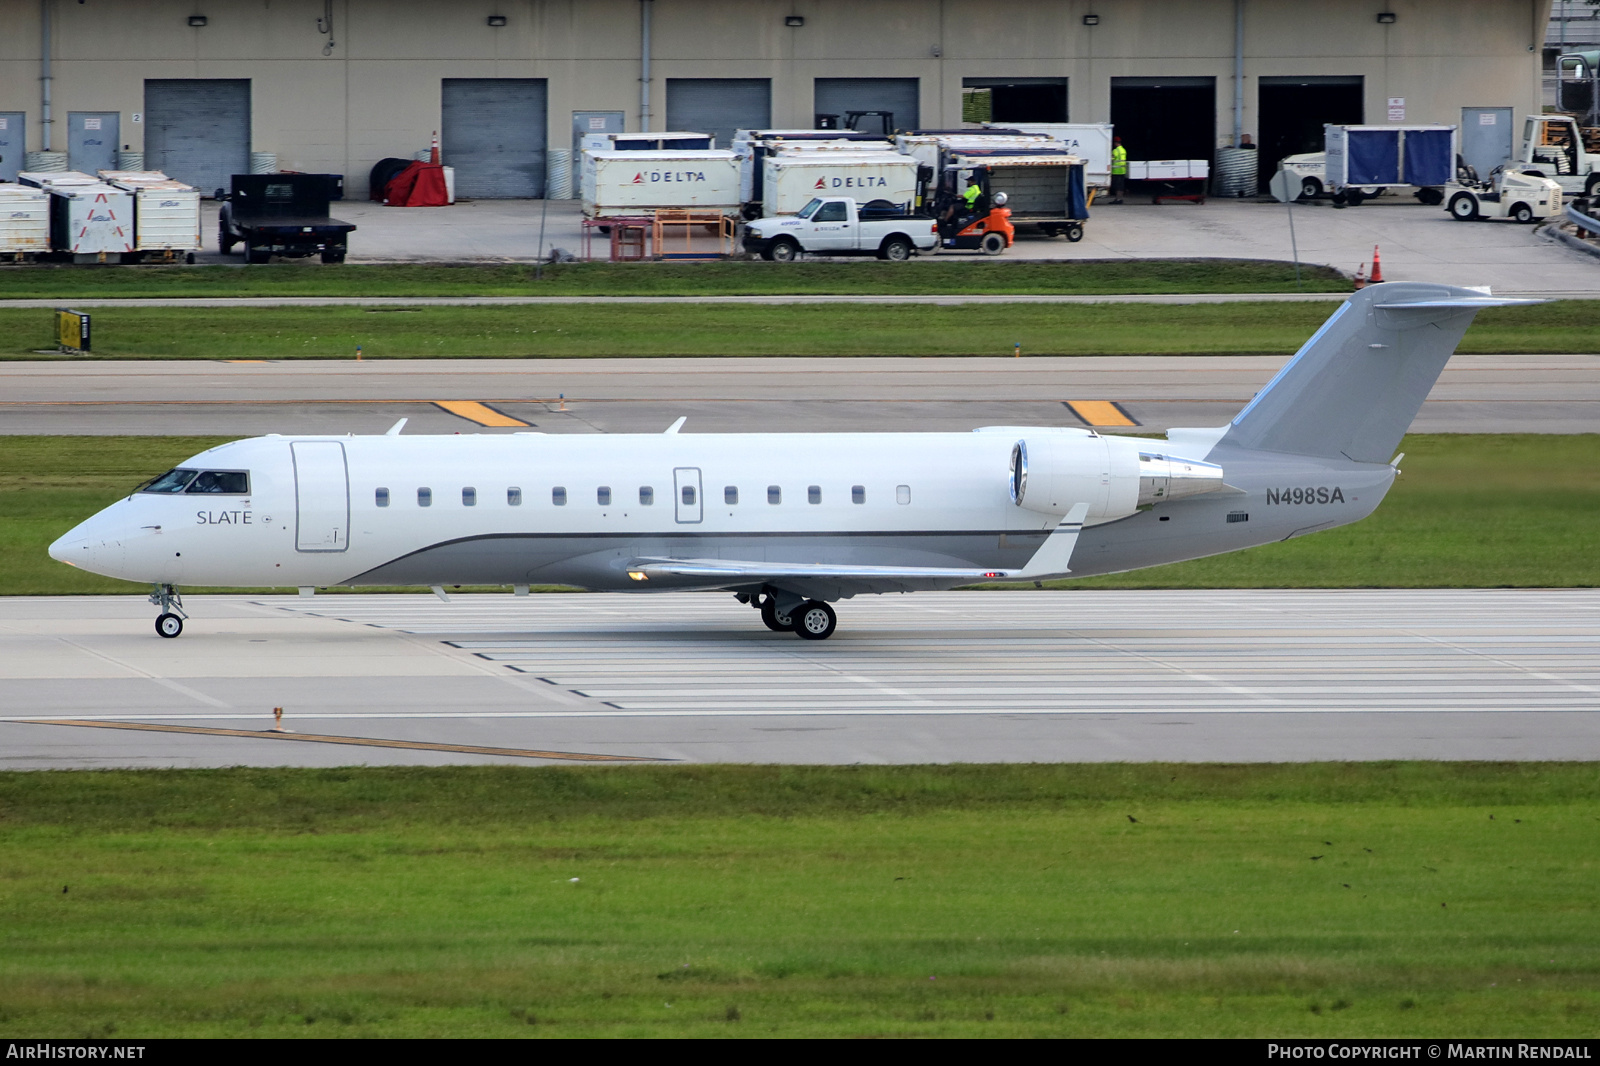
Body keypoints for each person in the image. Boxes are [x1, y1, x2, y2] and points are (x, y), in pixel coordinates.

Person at [1110, 136, 1127, 203]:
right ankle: (1119, 199)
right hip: (1122, 170)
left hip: (1116, 171)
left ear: (1116, 143)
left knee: (1117, 186)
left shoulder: (1115, 151)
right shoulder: (1123, 150)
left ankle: (1117, 199)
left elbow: (1111, 159)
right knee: (1121, 186)